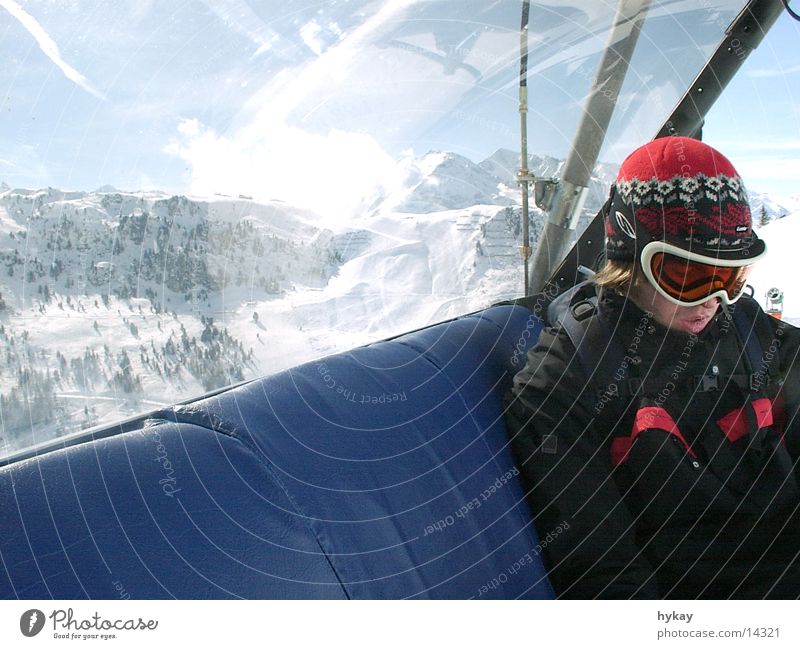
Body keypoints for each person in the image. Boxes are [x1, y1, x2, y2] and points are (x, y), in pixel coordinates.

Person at [505, 136, 800, 599]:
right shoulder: (568, 378)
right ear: (630, 259)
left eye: (732, 277)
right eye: (690, 276)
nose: (713, 300)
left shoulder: (742, 326)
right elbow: (602, 568)